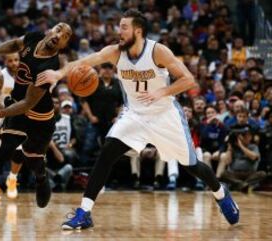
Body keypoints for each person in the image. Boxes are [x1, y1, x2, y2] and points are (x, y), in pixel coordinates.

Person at [36, 9, 239, 229]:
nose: (119, 31)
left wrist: (162, 92)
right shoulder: (115, 52)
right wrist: (58, 73)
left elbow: (189, 80)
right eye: (119, 27)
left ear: (138, 31)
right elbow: (86, 61)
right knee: (107, 152)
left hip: (164, 115)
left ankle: (221, 193)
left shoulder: (157, 51)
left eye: (124, 27)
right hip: (134, 115)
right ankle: (84, 212)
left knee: (191, 164)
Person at [0, 22, 72, 225]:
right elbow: (14, 44)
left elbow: (28, 103)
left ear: (64, 44)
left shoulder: (50, 66)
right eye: (58, 28)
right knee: (4, 151)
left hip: (40, 116)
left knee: (33, 160)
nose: (59, 34)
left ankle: (42, 177)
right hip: (16, 108)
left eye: (65, 35)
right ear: (50, 29)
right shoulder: (33, 37)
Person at [0, 53, 24, 201]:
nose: (14, 63)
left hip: (18, 118)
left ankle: (12, 179)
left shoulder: (25, 76)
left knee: (19, 152)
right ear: (5, 61)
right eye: (10, 61)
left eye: (16, 60)